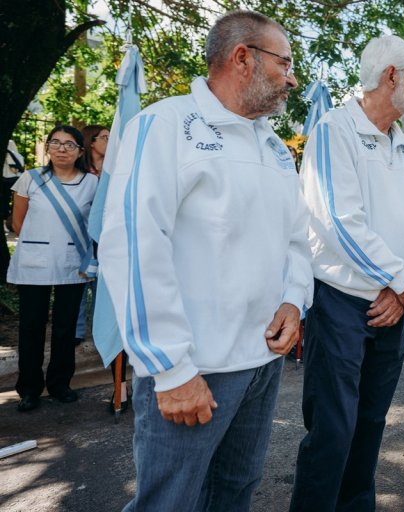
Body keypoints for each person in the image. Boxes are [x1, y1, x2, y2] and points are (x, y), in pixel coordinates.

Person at [98, 11, 313, 511]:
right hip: (194, 368)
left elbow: (296, 239)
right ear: (243, 58)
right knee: (169, 501)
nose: (292, 76)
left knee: (235, 492)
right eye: (284, 62)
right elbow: (132, 244)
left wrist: (292, 300)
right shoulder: (164, 124)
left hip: (261, 363)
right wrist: (168, 367)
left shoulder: (276, 148)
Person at [290, 35, 404, 512]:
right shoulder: (336, 130)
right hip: (342, 303)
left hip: (396, 305)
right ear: (390, 76)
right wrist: (401, 280)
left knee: (372, 422)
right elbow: (337, 220)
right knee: (333, 428)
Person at [8, 125, 98, 412]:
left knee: (65, 327)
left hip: (73, 263)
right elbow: (18, 223)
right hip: (34, 263)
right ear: (47, 148)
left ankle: (60, 384)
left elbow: (95, 225)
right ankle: (29, 389)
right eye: (56, 143)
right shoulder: (30, 179)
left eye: (69, 144)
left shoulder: (92, 184)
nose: (62, 149)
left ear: (80, 151)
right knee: (31, 326)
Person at [74, 125, 109, 345]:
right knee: (79, 283)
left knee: (102, 287)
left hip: (105, 236)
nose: (110, 141)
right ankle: (76, 333)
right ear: (91, 142)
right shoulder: (80, 172)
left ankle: (100, 333)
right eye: (105, 137)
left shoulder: (115, 170)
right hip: (80, 234)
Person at [2, 139, 24, 283]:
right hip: (14, 178)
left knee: (5, 203)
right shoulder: (14, 149)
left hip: (6, 179)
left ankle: (6, 221)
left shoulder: (8, 147)